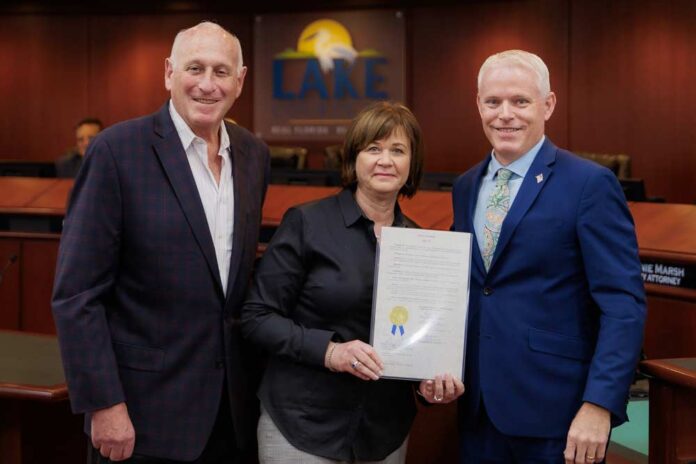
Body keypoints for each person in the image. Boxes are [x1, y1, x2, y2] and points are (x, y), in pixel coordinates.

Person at [52, 21, 270, 463]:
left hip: (231, 416)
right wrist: (104, 404)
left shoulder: (253, 155)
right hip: (141, 416)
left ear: (240, 80)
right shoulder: (116, 151)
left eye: (221, 71)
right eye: (195, 68)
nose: (207, 84)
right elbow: (78, 294)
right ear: (169, 73)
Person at [241, 101, 465, 464]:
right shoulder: (307, 223)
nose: (385, 160)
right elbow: (257, 318)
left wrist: (428, 382)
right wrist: (331, 352)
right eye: (373, 148)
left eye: (398, 150)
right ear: (353, 158)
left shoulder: (422, 246)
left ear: (412, 164)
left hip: (382, 434)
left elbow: (417, 340)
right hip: (303, 426)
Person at [451, 49, 646, 464]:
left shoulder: (590, 184)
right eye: (493, 101)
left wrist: (600, 404)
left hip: (559, 415)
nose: (505, 114)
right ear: (478, 105)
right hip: (477, 410)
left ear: (548, 105)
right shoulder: (465, 186)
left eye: (520, 101)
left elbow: (622, 304)